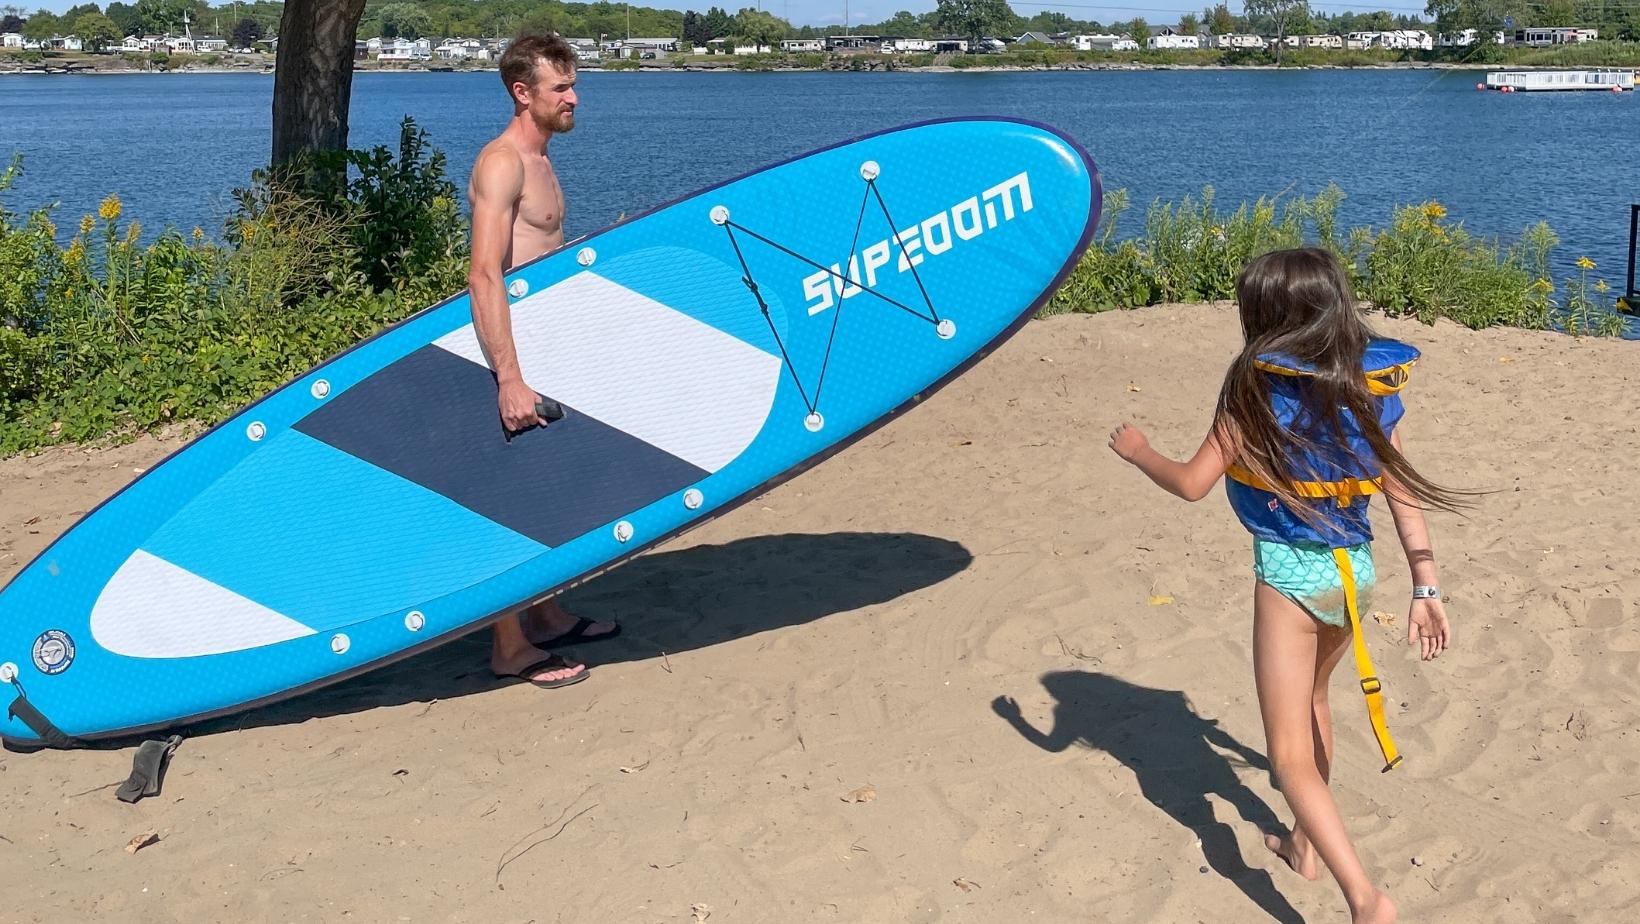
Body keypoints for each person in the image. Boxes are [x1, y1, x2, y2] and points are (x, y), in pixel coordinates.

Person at [1107, 248, 1458, 924]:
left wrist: (1140, 452)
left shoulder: (1252, 395)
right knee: (1316, 701)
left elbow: (1191, 484)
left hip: (1293, 579)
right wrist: (1426, 585)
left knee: (1288, 755)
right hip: (1357, 574)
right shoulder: (1368, 390)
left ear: (1262, 318)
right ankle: (1302, 844)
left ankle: (1365, 899)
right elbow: (1400, 489)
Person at [468, 33, 619, 689]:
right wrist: (508, 378)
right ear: (521, 92)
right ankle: (508, 647)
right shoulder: (502, 163)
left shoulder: (543, 161)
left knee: (557, 494)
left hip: (547, 349)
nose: (573, 97)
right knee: (514, 501)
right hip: (512, 355)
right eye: (561, 88)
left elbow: (537, 255)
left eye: (573, 83)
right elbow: (483, 275)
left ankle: (548, 614)